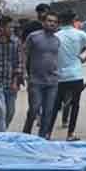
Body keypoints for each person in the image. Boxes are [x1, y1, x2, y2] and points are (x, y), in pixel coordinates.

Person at [54, 10, 86, 142]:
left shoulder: (55, 36)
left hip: (59, 77)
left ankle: (47, 133)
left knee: (55, 105)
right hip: (76, 76)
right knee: (75, 105)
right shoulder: (80, 34)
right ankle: (70, 134)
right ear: (73, 20)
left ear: (60, 21)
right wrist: (83, 58)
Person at [22, 11, 61, 139]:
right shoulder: (33, 37)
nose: (52, 24)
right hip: (36, 80)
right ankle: (26, 134)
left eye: (54, 22)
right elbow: (24, 54)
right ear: (44, 22)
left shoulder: (57, 40)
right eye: (49, 21)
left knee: (48, 111)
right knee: (34, 109)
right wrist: (24, 72)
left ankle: (42, 137)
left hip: (52, 81)